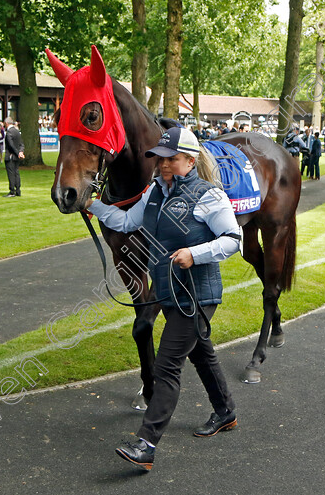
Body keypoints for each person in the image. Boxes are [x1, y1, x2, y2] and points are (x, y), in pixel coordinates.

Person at [85, 127, 240, 471]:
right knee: (201, 353)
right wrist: (93, 204)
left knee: (167, 364)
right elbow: (125, 221)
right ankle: (226, 411)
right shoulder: (154, 192)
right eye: (160, 157)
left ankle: (146, 444)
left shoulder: (208, 195)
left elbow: (232, 239)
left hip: (197, 296)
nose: (164, 164)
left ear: (190, 160)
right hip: (170, 292)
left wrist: (195, 254)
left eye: (171, 158)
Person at [3, 116, 24, 197]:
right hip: (16, 157)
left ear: (6, 123)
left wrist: (18, 152)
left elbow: (11, 145)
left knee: (11, 174)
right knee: (16, 173)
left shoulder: (9, 133)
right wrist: (21, 152)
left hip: (11, 156)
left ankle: (12, 191)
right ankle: (18, 190)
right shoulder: (17, 131)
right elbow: (21, 143)